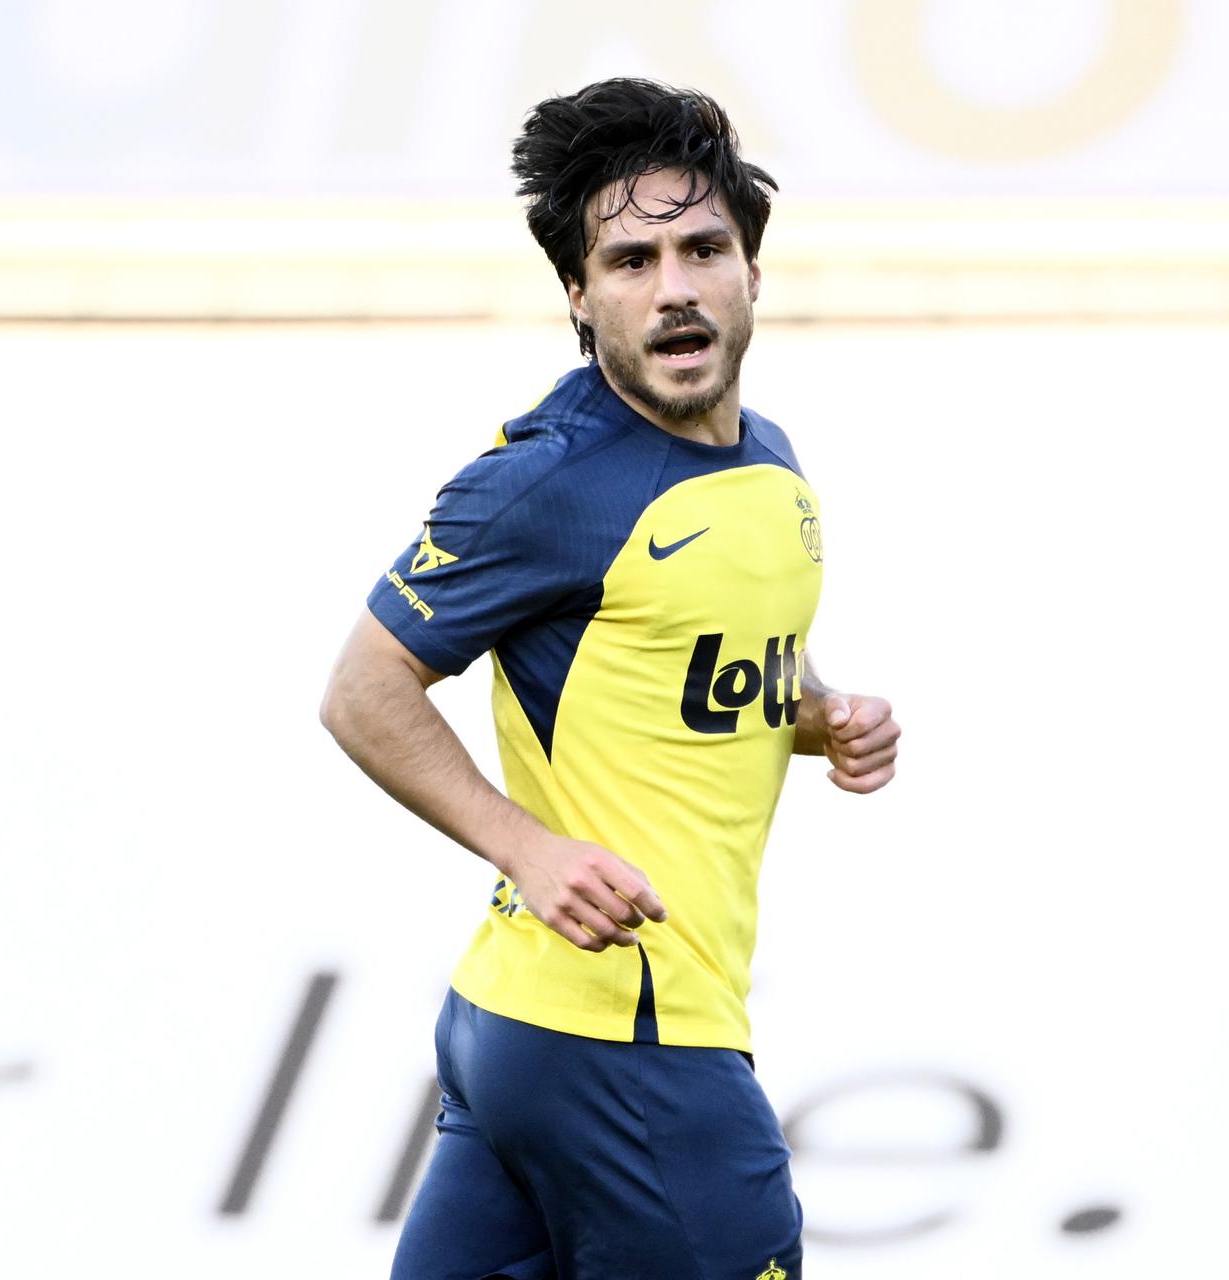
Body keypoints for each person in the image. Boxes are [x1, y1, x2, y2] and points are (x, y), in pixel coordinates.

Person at [320, 77, 899, 1280]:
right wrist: (528, 848)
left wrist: (821, 714)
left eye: (703, 249)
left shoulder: (769, 463)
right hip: (630, 1040)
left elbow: (694, 661)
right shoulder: (548, 480)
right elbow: (364, 689)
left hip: (530, 1027)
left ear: (751, 272)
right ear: (579, 297)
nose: (674, 286)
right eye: (631, 260)